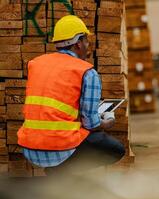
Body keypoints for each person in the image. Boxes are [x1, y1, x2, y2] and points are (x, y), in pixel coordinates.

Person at [17, 15, 125, 174]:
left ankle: (62, 173)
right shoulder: (87, 72)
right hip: (59, 147)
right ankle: (62, 172)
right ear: (78, 43)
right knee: (115, 149)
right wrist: (106, 122)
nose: (88, 45)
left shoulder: (36, 64)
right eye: (86, 40)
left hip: (28, 145)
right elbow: (91, 124)